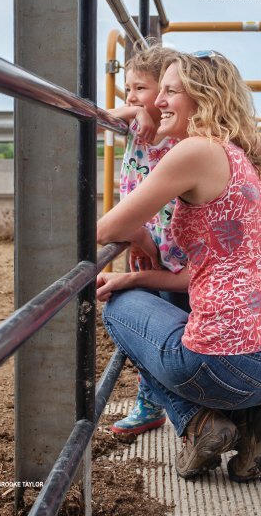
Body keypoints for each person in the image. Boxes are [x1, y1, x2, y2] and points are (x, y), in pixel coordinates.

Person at [97, 48, 261, 482]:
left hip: (231, 367)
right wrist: (133, 274)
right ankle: (257, 419)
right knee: (133, 290)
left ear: (202, 97)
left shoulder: (194, 151)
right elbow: (203, 271)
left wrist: (133, 236)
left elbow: (104, 230)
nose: (156, 102)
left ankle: (199, 422)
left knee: (118, 310)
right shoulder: (241, 154)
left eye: (170, 92)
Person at [105, 44, 190, 435]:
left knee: (178, 328)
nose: (132, 96)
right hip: (143, 245)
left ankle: (188, 405)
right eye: (128, 89)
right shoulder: (137, 128)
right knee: (146, 332)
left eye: (141, 88)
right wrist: (133, 110)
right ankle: (149, 402)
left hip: (179, 251)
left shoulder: (181, 134)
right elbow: (97, 117)